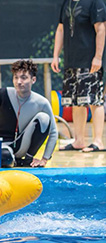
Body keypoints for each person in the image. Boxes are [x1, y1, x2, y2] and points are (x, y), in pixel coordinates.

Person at [0, 59, 58, 168]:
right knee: (4, 157)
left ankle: (28, 159)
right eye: (16, 77)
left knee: (44, 118)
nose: (19, 81)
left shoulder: (42, 102)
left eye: (24, 78)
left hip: (22, 146)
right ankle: (18, 162)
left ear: (33, 80)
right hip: (3, 146)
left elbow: (53, 132)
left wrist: (44, 159)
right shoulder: (2, 94)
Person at [52, 0, 106, 153]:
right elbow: (61, 29)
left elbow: (101, 29)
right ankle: (79, 140)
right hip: (71, 61)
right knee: (76, 101)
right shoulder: (67, 3)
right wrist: (56, 55)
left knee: (94, 100)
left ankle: (98, 141)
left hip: (89, 61)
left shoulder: (95, 2)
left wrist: (98, 57)